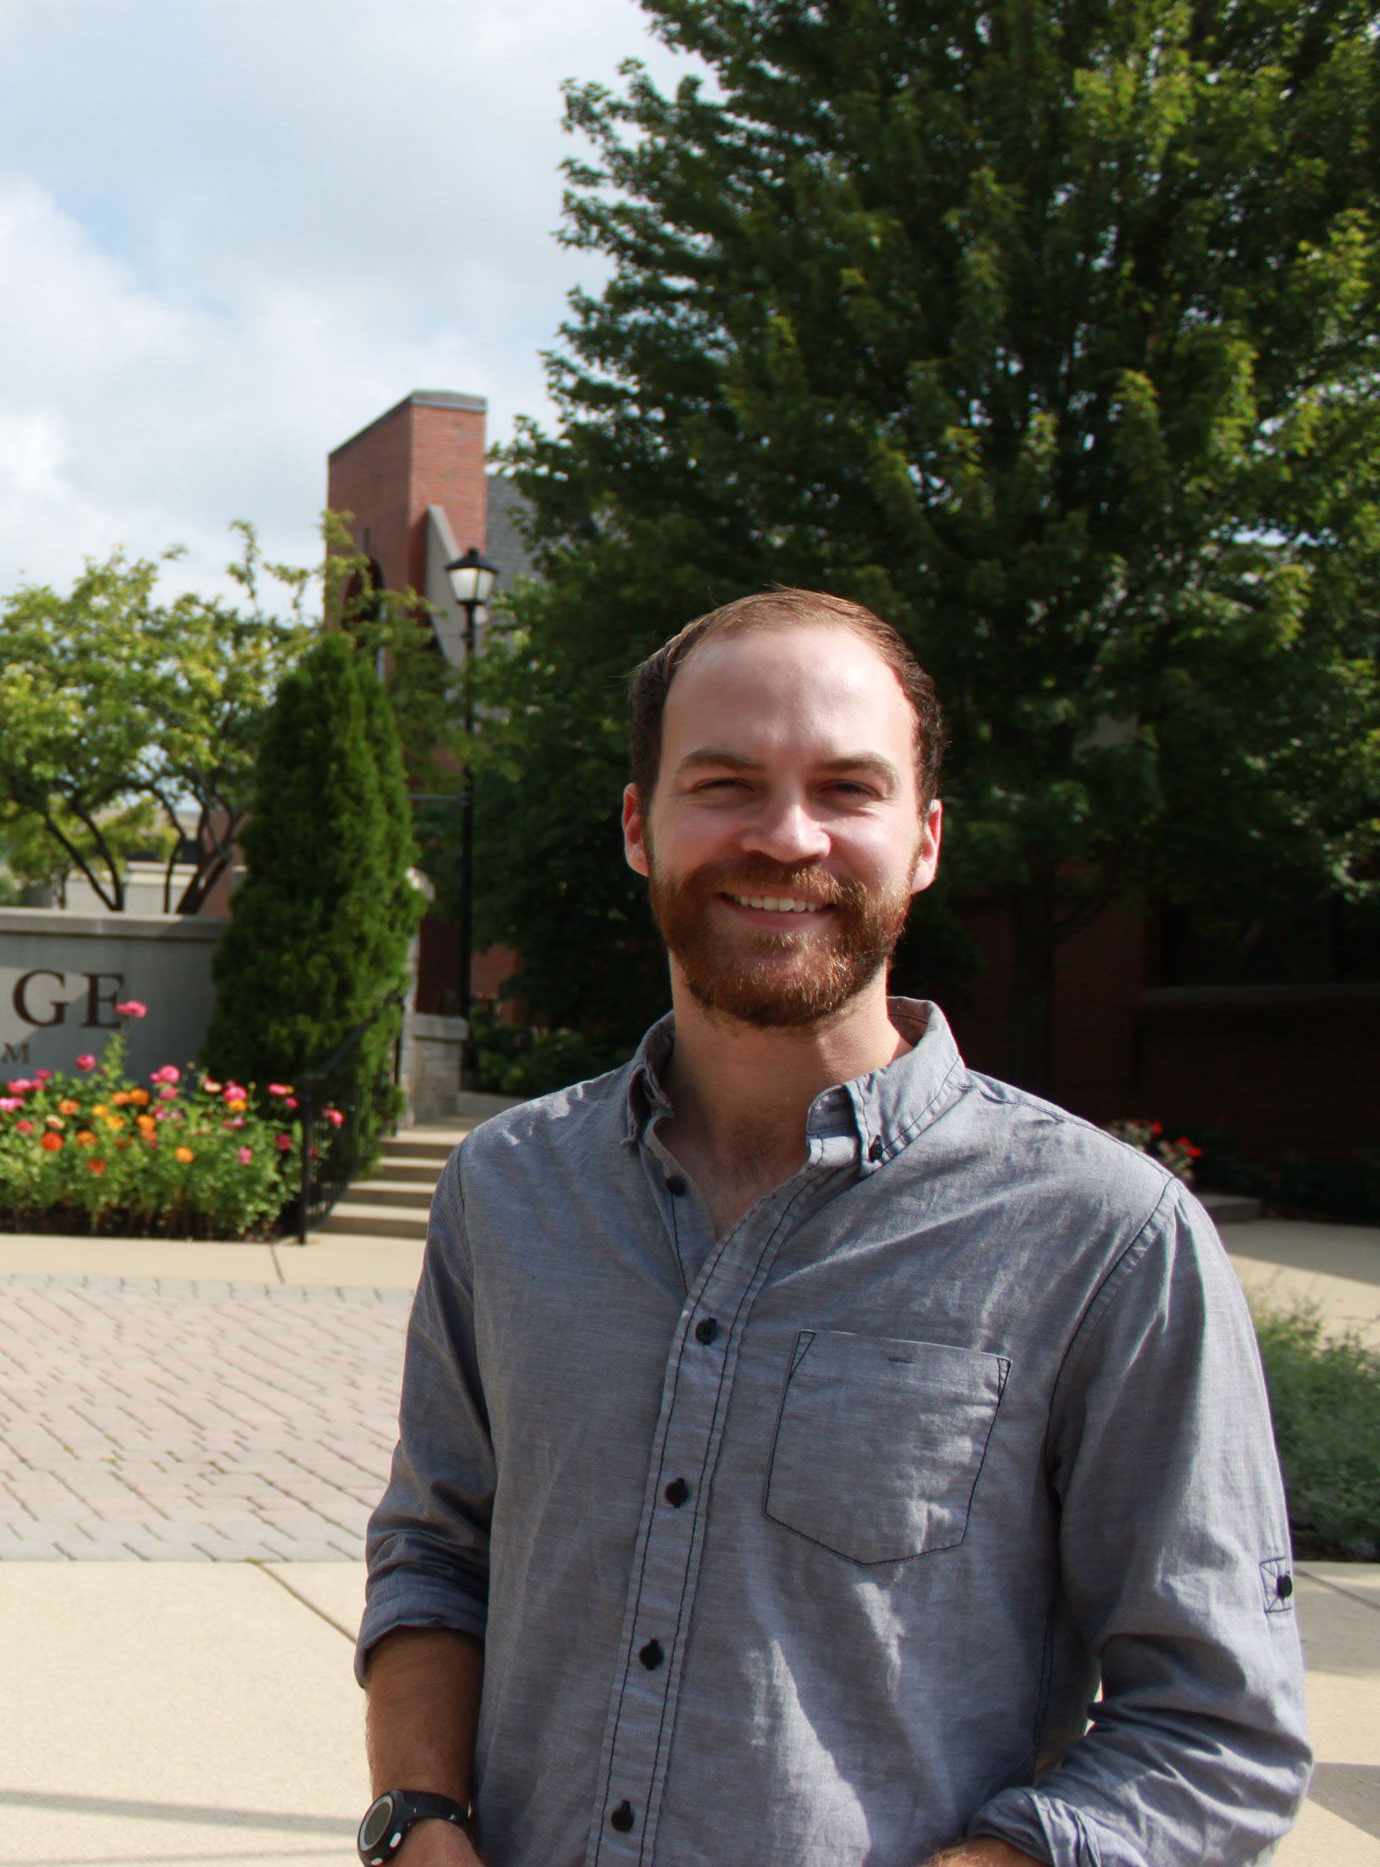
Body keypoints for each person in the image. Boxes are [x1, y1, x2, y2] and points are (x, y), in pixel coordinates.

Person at [355, 591, 1308, 1867]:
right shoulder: (509, 1188)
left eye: (846, 788)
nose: (787, 835)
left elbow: (1216, 1724)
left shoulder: (1105, 1238)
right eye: (725, 782)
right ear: (641, 826)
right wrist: (419, 1819)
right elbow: (435, 1552)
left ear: (922, 841)